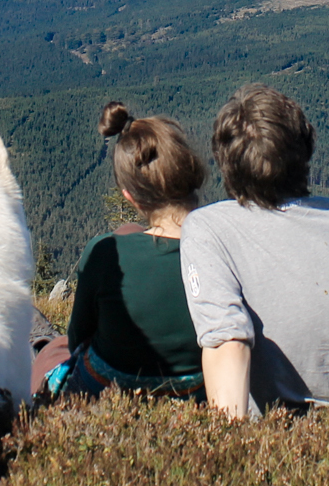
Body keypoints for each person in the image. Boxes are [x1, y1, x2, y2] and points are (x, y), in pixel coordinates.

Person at [179, 84, 329, 417]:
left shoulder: (206, 227)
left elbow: (227, 340)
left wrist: (228, 440)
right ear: (304, 150)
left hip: (281, 416)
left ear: (226, 162)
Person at [39, 101, 208, 400]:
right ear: (190, 170)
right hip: (197, 396)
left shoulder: (105, 254)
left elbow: (78, 339)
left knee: (51, 352)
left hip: (103, 394)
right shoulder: (221, 252)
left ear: (130, 197)